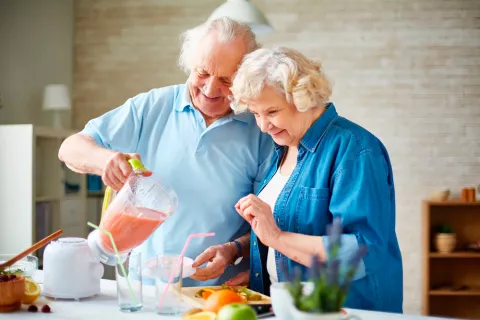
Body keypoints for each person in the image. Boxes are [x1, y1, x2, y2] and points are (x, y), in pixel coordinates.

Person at [58, 17, 274, 287]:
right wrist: (105, 161)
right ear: (189, 64)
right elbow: (70, 148)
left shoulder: (261, 129)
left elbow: (271, 218)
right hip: (143, 289)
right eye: (203, 73)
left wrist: (235, 249)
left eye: (226, 80)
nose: (210, 89)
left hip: (216, 295)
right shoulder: (151, 106)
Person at [226, 46, 403, 312]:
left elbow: (362, 252)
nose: (263, 126)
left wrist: (276, 237)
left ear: (304, 98)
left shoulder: (355, 149)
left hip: (345, 311)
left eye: (272, 112)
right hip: (292, 309)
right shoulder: (283, 148)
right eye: (255, 114)